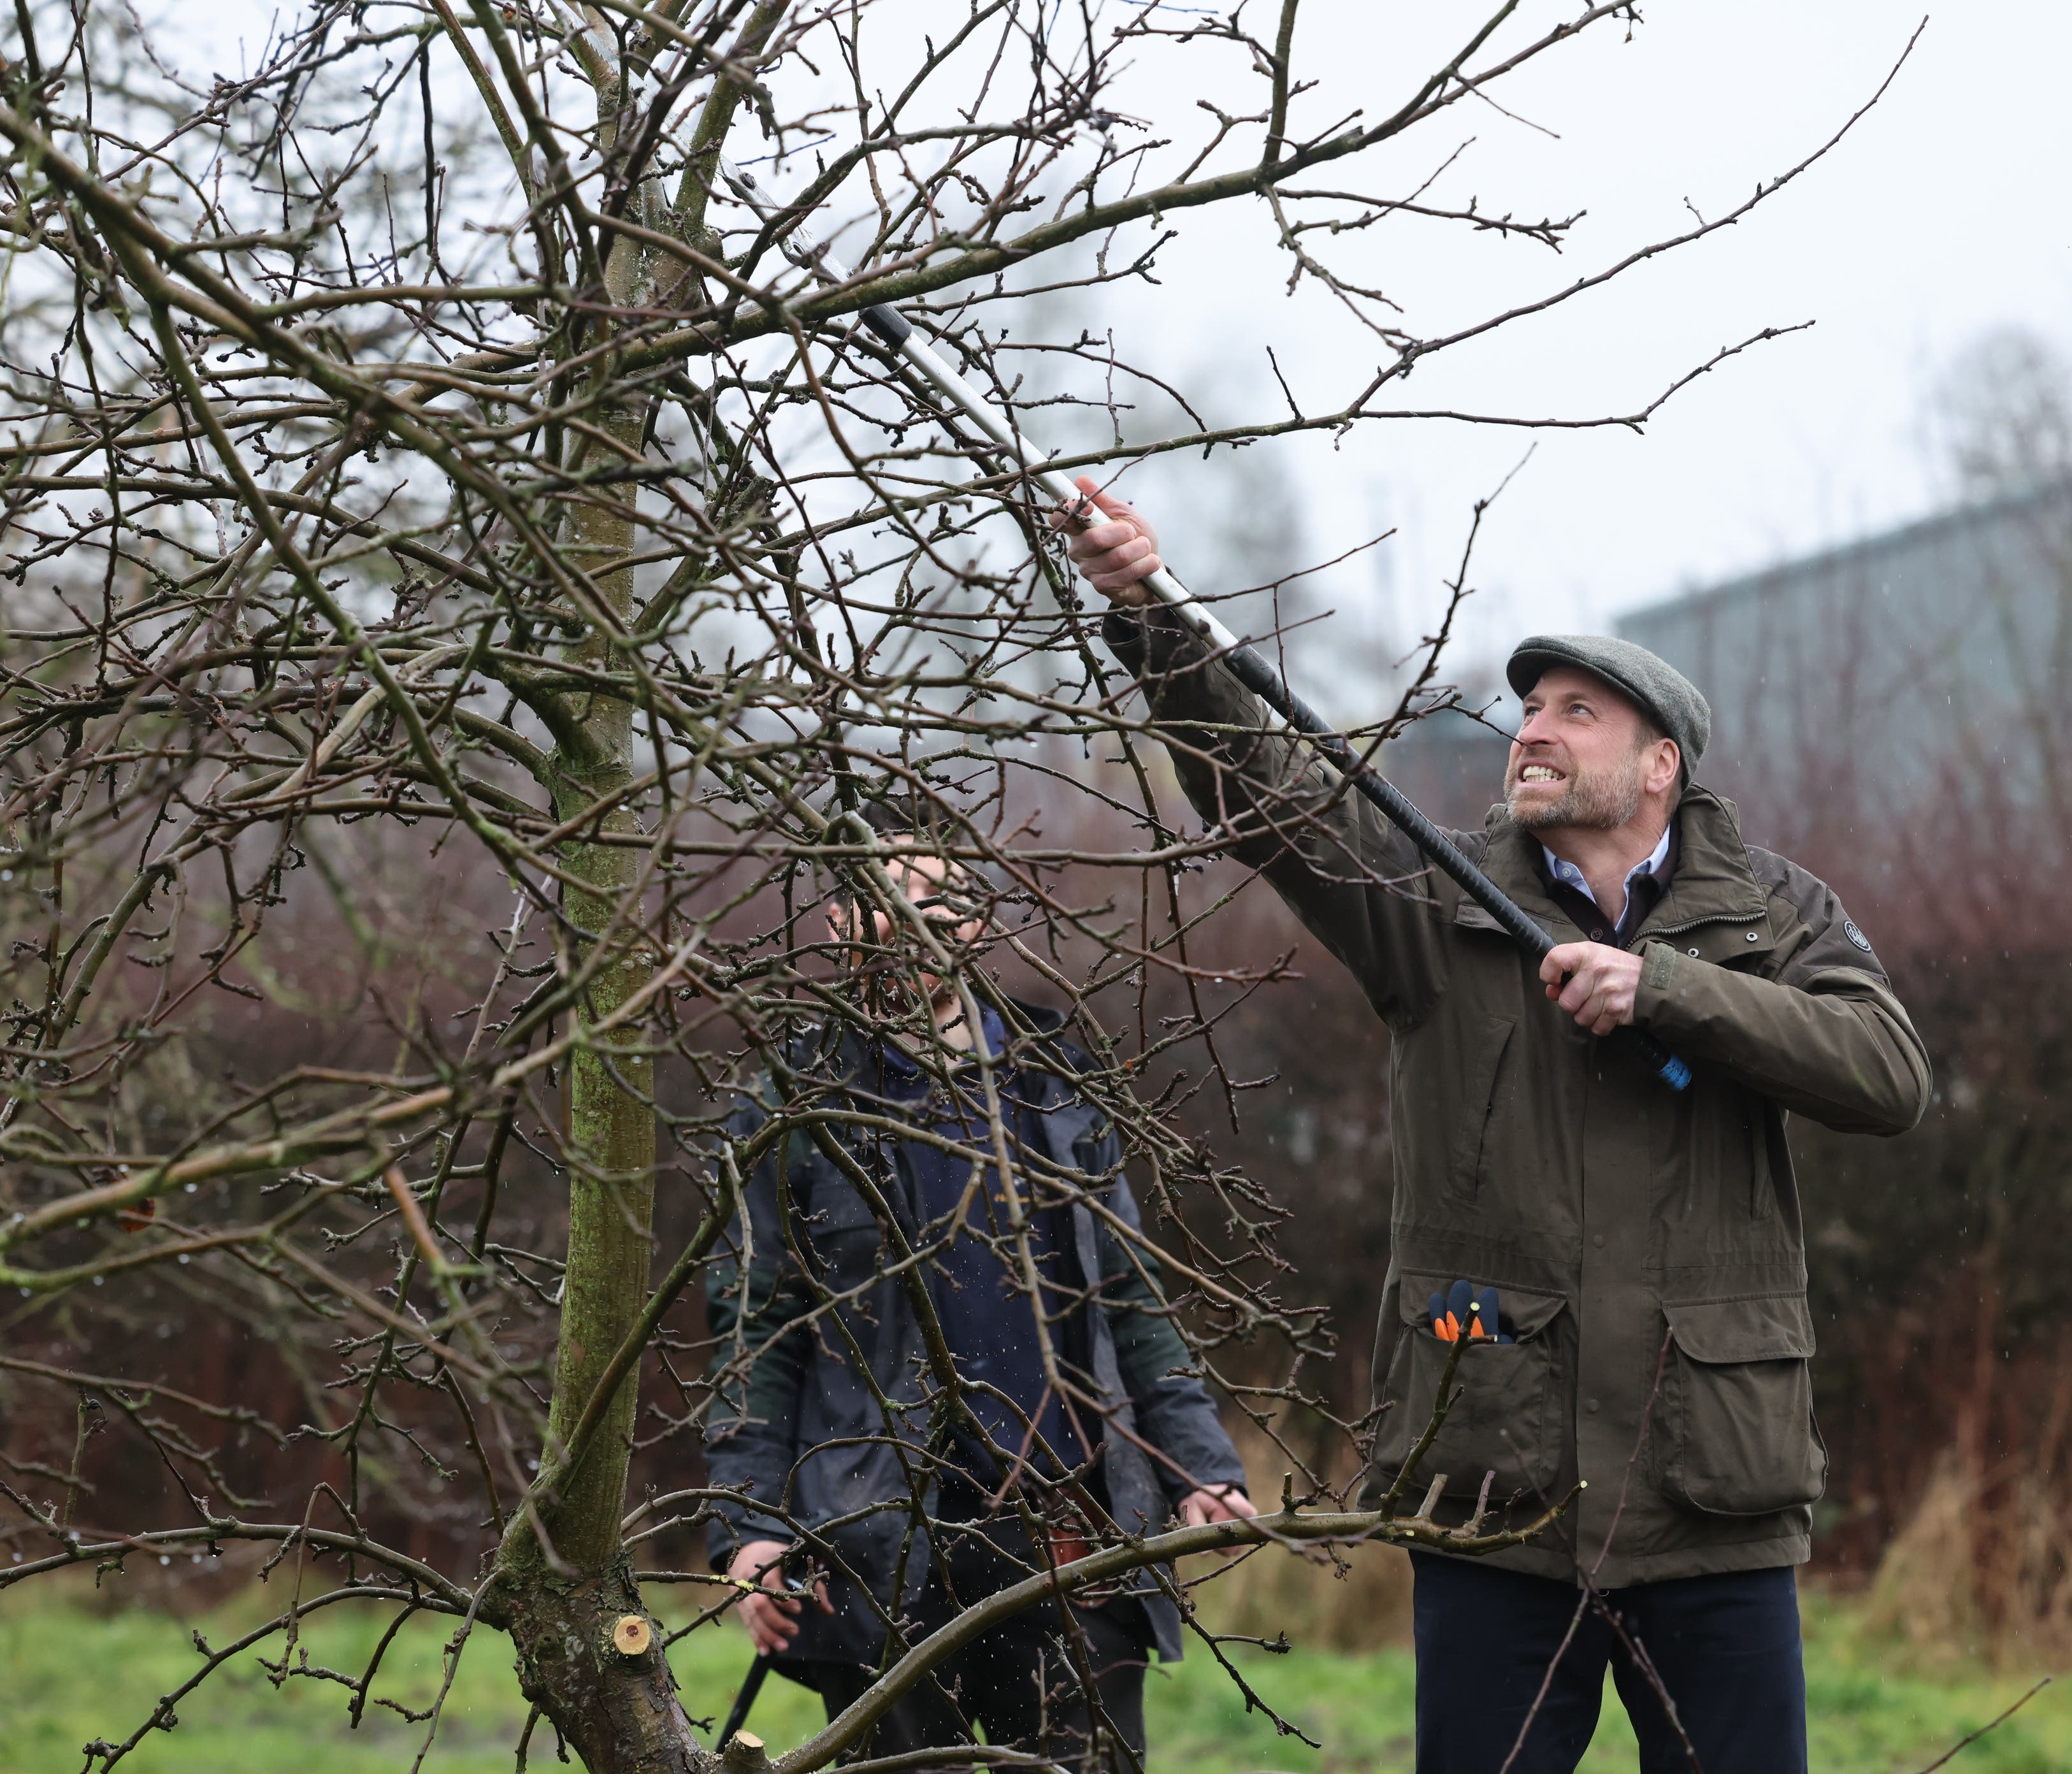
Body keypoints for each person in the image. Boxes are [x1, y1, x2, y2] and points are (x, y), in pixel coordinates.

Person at [1059, 481, 1932, 1774]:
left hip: (1712, 1502)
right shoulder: (1435, 899)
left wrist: (1673, 993)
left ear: (1661, 765)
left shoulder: (1776, 915)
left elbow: (1887, 1072)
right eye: (1529, 708)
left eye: (1578, 712)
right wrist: (1150, 619)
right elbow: (1267, 788)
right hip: (1492, 1500)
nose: (1535, 731)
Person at [701, 805, 1256, 1771]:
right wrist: (748, 1530)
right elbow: (757, 1330)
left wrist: (1199, 1464)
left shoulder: (1058, 1084)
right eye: (884, 897)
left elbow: (1127, 1296)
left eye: (938, 895)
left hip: (1069, 1526)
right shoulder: (789, 1108)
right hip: (880, 1545)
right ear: (838, 922)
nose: (913, 919)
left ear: (981, 917)